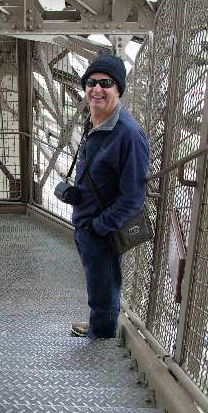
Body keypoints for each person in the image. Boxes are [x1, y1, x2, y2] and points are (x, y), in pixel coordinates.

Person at [70, 53, 149, 339]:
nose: (97, 89)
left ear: (119, 89)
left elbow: (133, 198)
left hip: (101, 229)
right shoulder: (94, 121)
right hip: (86, 222)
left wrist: (98, 228)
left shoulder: (129, 135)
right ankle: (98, 325)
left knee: (103, 287)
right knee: (97, 283)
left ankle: (100, 339)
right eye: (91, 82)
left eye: (106, 83)